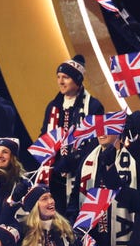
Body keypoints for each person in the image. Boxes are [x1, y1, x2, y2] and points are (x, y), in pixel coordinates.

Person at [39, 56, 104, 215]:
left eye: (66, 77)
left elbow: (94, 143)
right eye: (59, 77)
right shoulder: (53, 106)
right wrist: (44, 161)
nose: (60, 82)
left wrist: (69, 161)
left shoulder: (93, 106)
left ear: (77, 80)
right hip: (54, 176)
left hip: (80, 173)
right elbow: (44, 135)